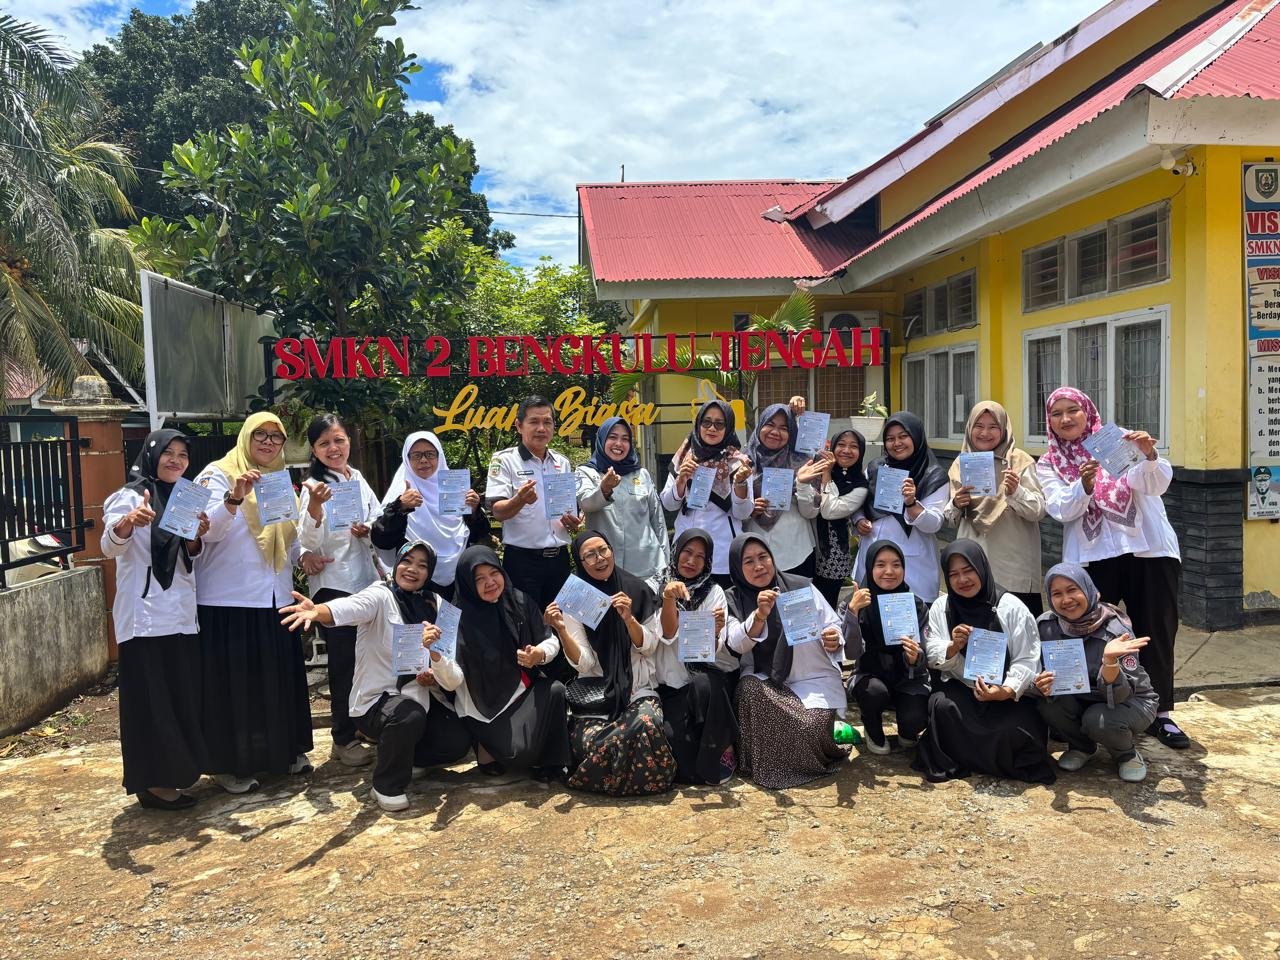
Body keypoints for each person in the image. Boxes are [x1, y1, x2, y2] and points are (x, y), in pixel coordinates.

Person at [1035, 387, 1188, 750]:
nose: (1066, 418)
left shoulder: (1116, 440)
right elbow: (1060, 509)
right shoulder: (1050, 462)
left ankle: (1160, 713)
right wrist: (1084, 485)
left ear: (1088, 411)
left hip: (1148, 549)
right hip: (1092, 556)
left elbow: (1153, 484)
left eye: (1073, 410)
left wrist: (1149, 455)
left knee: (1155, 630)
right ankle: (1086, 711)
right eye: (1057, 413)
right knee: (1086, 632)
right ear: (1049, 421)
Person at [278, 542, 472, 811]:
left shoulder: (437, 605)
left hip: (420, 699)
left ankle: (407, 757)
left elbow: (453, 679)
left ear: (430, 573)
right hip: (377, 702)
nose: (413, 569)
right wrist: (318, 611)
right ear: (397, 563)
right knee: (408, 715)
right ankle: (386, 785)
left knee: (457, 741)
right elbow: (350, 607)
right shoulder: (381, 595)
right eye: (407, 561)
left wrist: (435, 661)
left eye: (422, 565)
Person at [194, 412, 312, 793]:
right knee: (234, 688)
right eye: (260, 434)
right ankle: (228, 764)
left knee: (274, 682)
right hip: (229, 599)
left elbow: (290, 537)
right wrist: (234, 498)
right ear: (246, 436)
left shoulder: (279, 480)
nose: (268, 442)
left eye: (276, 437)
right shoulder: (217, 474)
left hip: (274, 596)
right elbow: (202, 533)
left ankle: (282, 753)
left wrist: (304, 558)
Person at [101, 429, 211, 810]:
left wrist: (196, 536)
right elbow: (109, 545)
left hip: (180, 616)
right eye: (168, 453)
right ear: (152, 455)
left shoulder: (184, 497)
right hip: (145, 619)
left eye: (182, 455)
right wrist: (129, 522)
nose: (176, 460)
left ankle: (175, 774)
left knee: (180, 697)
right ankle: (153, 783)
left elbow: (187, 555)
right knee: (152, 703)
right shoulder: (130, 496)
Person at [547, 530, 676, 796]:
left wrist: (629, 619)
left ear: (612, 551)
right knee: (593, 741)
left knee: (646, 723)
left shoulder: (636, 588)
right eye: (590, 555)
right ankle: (634, 779)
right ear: (580, 561)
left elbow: (649, 646)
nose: (599, 558)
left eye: (603, 550)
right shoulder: (575, 596)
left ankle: (601, 779)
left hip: (637, 687)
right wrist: (561, 630)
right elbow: (584, 664)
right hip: (596, 692)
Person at [914, 540, 1055, 785]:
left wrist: (1005, 691)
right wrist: (953, 646)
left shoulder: (1011, 607)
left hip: (1006, 694)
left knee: (1017, 729)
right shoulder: (942, 607)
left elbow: (1027, 659)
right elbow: (932, 651)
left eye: (968, 570)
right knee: (942, 707)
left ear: (982, 568)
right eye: (954, 574)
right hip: (963, 686)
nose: (962, 580)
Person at [725, 534, 849, 789]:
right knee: (748, 689)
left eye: (763, 557)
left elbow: (833, 623)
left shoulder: (801, 586)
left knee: (812, 727)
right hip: (769, 683)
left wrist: (833, 638)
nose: (759, 566)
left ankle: (802, 758)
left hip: (812, 679)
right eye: (748, 561)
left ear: (772, 558)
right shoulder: (733, 598)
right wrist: (759, 615)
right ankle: (764, 763)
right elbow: (736, 643)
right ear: (738, 567)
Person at [296, 413, 382, 767]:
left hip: (365, 582)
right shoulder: (311, 487)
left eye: (339, 440)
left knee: (368, 660)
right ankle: (342, 738)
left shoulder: (357, 478)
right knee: (344, 665)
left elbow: (377, 516)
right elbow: (306, 539)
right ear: (314, 450)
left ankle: (364, 725)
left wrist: (369, 528)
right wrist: (316, 507)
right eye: (324, 443)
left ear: (349, 442)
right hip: (334, 586)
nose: (334, 448)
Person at [449, 545, 571, 781]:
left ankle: (552, 761)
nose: (490, 582)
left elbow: (550, 640)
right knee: (517, 755)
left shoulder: (519, 601)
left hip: (521, 691)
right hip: (481, 704)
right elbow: (451, 678)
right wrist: (436, 659)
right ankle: (483, 743)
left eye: (494, 573)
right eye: (479, 579)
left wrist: (539, 654)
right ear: (467, 583)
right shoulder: (457, 617)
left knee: (555, 690)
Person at [1031, 563, 1157, 783]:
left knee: (1097, 720)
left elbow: (1123, 694)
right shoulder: (1046, 626)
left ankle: (1126, 754)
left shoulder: (1116, 630)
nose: (1066, 600)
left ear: (1088, 589)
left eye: (1072, 590)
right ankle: (1082, 747)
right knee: (1049, 705)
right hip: (1081, 696)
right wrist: (1040, 684)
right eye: (1057, 594)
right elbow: (1035, 670)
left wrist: (1109, 662)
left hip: (1130, 700)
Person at [943, 401, 1046, 614]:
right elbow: (950, 520)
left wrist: (1016, 492)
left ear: (1004, 428)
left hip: (1013, 564)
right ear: (969, 428)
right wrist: (956, 504)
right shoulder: (961, 463)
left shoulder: (1020, 461)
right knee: (976, 627)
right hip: (972, 563)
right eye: (979, 426)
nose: (985, 433)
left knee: (1016, 624)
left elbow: (1038, 511)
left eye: (993, 427)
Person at [654, 528, 738, 785]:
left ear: (708, 561)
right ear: (676, 552)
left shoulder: (713, 592)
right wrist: (669, 598)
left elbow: (709, 650)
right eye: (687, 552)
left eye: (700, 557)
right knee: (677, 751)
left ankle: (722, 749)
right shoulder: (654, 585)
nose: (691, 561)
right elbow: (667, 633)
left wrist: (715, 631)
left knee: (708, 683)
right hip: (665, 682)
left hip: (697, 677)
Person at [485, 396, 583, 608]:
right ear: (519, 426)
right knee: (526, 622)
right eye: (534, 422)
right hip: (523, 563)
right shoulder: (504, 460)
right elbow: (498, 512)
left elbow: (567, 512)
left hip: (559, 560)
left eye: (547, 422)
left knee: (561, 620)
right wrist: (519, 500)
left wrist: (573, 522)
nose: (541, 428)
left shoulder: (562, 462)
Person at [371, 431, 486, 601]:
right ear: (407, 459)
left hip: (457, 581)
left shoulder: (455, 491)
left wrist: (474, 509)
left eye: (430, 454)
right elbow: (381, 540)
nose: (423, 460)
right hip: (415, 585)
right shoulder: (400, 494)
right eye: (416, 455)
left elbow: (478, 534)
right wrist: (401, 507)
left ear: (439, 457)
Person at [842, 540, 930, 754]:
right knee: (873, 693)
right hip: (870, 673)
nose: (889, 571)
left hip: (908, 677)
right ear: (869, 567)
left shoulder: (916, 605)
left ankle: (907, 729)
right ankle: (872, 728)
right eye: (880, 564)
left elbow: (926, 654)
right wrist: (853, 613)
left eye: (896, 565)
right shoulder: (854, 602)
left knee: (915, 718)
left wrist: (914, 657)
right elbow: (850, 652)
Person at [853, 412, 950, 602]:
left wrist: (911, 503)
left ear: (916, 437)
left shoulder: (933, 475)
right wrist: (859, 520)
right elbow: (858, 501)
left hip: (913, 567)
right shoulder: (875, 468)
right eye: (890, 439)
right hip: (872, 559)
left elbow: (934, 524)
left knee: (911, 614)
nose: (897, 443)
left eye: (903, 436)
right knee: (869, 612)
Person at [661, 399, 752, 586]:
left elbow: (743, 513)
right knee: (684, 602)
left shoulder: (738, 463)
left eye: (719, 424)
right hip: (686, 552)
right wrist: (681, 481)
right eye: (706, 422)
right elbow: (668, 504)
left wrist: (740, 484)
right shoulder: (684, 457)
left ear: (728, 427)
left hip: (722, 554)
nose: (712, 428)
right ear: (698, 424)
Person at [576, 416, 670, 587]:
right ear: (601, 440)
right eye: (612, 437)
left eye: (625, 439)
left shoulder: (641, 474)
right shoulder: (586, 472)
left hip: (647, 567)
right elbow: (586, 504)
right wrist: (604, 489)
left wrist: (666, 562)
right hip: (605, 568)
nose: (619, 443)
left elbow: (658, 520)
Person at [734, 403, 824, 576]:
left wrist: (802, 483)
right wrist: (749, 509)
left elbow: (810, 512)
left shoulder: (802, 462)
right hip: (754, 556)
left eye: (784, 428)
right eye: (770, 424)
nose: (775, 432)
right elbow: (733, 513)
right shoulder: (743, 462)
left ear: (792, 433)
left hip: (797, 552)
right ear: (760, 425)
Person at [813, 427, 869, 609]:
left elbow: (829, 511)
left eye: (853, 446)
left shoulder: (860, 485)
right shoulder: (815, 470)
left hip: (833, 552)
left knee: (825, 603)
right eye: (841, 444)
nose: (846, 450)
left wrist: (827, 474)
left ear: (861, 452)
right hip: (808, 544)